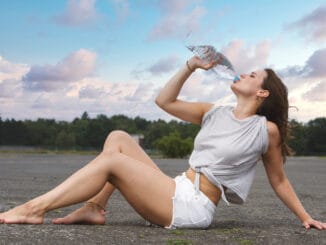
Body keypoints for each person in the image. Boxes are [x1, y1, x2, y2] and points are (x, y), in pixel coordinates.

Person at [0, 56, 325, 230]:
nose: (243, 74)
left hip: (193, 207)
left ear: (262, 93)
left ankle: (33, 209)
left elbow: (278, 179)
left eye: (252, 75)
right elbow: (164, 101)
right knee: (119, 138)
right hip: (178, 188)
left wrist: (304, 216)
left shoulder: (265, 130)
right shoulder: (214, 112)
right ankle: (94, 208)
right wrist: (190, 67)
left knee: (113, 163)